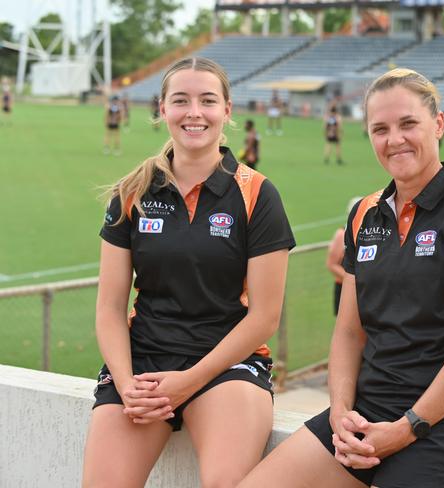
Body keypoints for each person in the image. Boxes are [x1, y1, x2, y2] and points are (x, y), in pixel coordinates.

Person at [239, 68, 444, 488]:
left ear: (438, 123)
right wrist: (339, 411)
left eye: (408, 124)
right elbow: (350, 332)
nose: (394, 139)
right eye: (380, 129)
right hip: (368, 411)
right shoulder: (365, 213)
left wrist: (407, 428)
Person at [82, 57, 295, 488]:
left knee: (224, 483)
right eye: (180, 100)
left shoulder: (258, 194)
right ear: (162, 109)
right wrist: (125, 383)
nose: (194, 112)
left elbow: (264, 318)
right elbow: (108, 307)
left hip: (226, 364)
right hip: (143, 363)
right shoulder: (133, 192)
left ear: (227, 110)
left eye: (207, 101)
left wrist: (189, 381)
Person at [326, 197, 362, 316]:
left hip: (364, 290)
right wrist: (355, 281)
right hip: (345, 288)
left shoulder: (370, 233)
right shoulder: (341, 234)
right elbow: (332, 264)